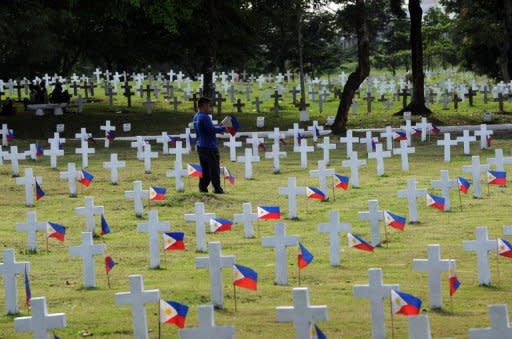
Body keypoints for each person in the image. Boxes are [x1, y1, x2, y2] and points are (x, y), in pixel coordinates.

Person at [193, 96, 226, 194]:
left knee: (205, 169)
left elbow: (205, 129)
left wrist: (218, 128)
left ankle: (202, 187)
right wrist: (223, 128)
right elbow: (211, 130)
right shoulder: (205, 117)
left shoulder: (196, 116)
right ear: (203, 106)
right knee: (214, 168)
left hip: (201, 146)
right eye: (208, 106)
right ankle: (217, 189)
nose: (210, 108)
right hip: (209, 147)